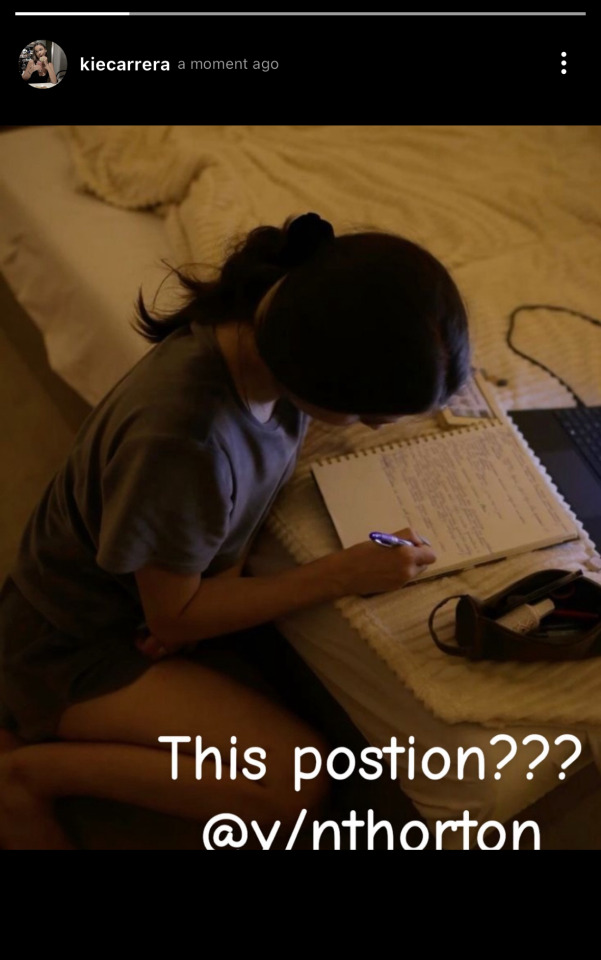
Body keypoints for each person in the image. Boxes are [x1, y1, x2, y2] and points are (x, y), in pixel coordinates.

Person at [0, 213, 470, 849]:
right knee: (295, 785)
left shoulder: (267, 326)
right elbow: (173, 620)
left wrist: (198, 601)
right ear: (313, 370)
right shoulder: (183, 440)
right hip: (69, 643)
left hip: (142, 608)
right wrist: (342, 572)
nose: (374, 426)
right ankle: (26, 775)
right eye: (367, 412)